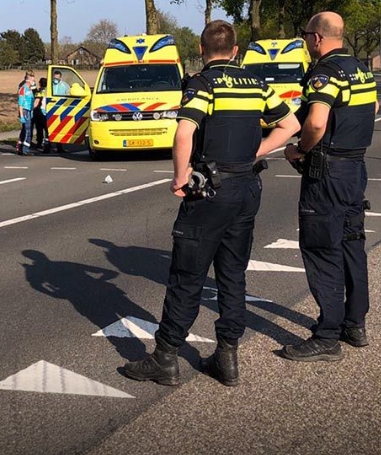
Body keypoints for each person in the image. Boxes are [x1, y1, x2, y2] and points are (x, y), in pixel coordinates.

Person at [121, 20, 300, 387]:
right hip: (247, 188)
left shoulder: (203, 83)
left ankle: (166, 358)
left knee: (187, 276)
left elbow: (184, 131)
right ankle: (226, 357)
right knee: (233, 274)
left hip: (210, 192)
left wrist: (180, 176)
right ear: (236, 51)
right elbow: (291, 125)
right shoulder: (256, 84)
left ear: (202, 51)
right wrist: (255, 153)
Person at [282, 11, 379, 362]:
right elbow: (374, 106)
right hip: (355, 169)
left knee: (322, 247)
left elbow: (317, 122)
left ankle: (327, 336)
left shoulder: (324, 73)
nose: (306, 42)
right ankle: (355, 323)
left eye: (306, 35)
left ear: (318, 38)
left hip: (327, 171)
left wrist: (300, 149)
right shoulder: (360, 69)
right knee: (352, 243)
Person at [16, 72, 36, 156]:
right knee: (28, 131)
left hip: (29, 111)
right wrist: (21, 115)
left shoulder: (30, 89)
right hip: (24, 111)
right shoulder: (23, 89)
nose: (34, 81)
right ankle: (25, 149)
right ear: (28, 79)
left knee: (25, 130)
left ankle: (21, 147)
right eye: (32, 79)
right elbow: (20, 103)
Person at [33, 77, 48, 152]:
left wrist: (32, 111)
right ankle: (48, 144)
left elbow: (36, 103)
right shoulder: (49, 91)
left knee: (39, 130)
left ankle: (39, 143)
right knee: (47, 130)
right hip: (47, 113)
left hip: (39, 113)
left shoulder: (39, 92)